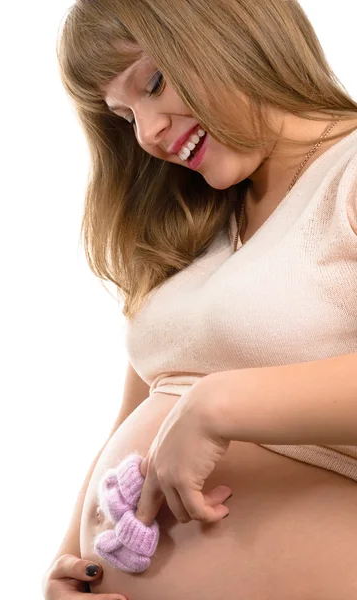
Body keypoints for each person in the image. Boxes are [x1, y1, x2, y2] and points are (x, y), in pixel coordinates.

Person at [42, 0, 357, 598]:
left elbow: (198, 403)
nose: (148, 132)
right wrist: (69, 564)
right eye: (123, 115)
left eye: (153, 82)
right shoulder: (192, 230)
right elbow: (139, 413)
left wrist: (224, 404)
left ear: (233, 29)